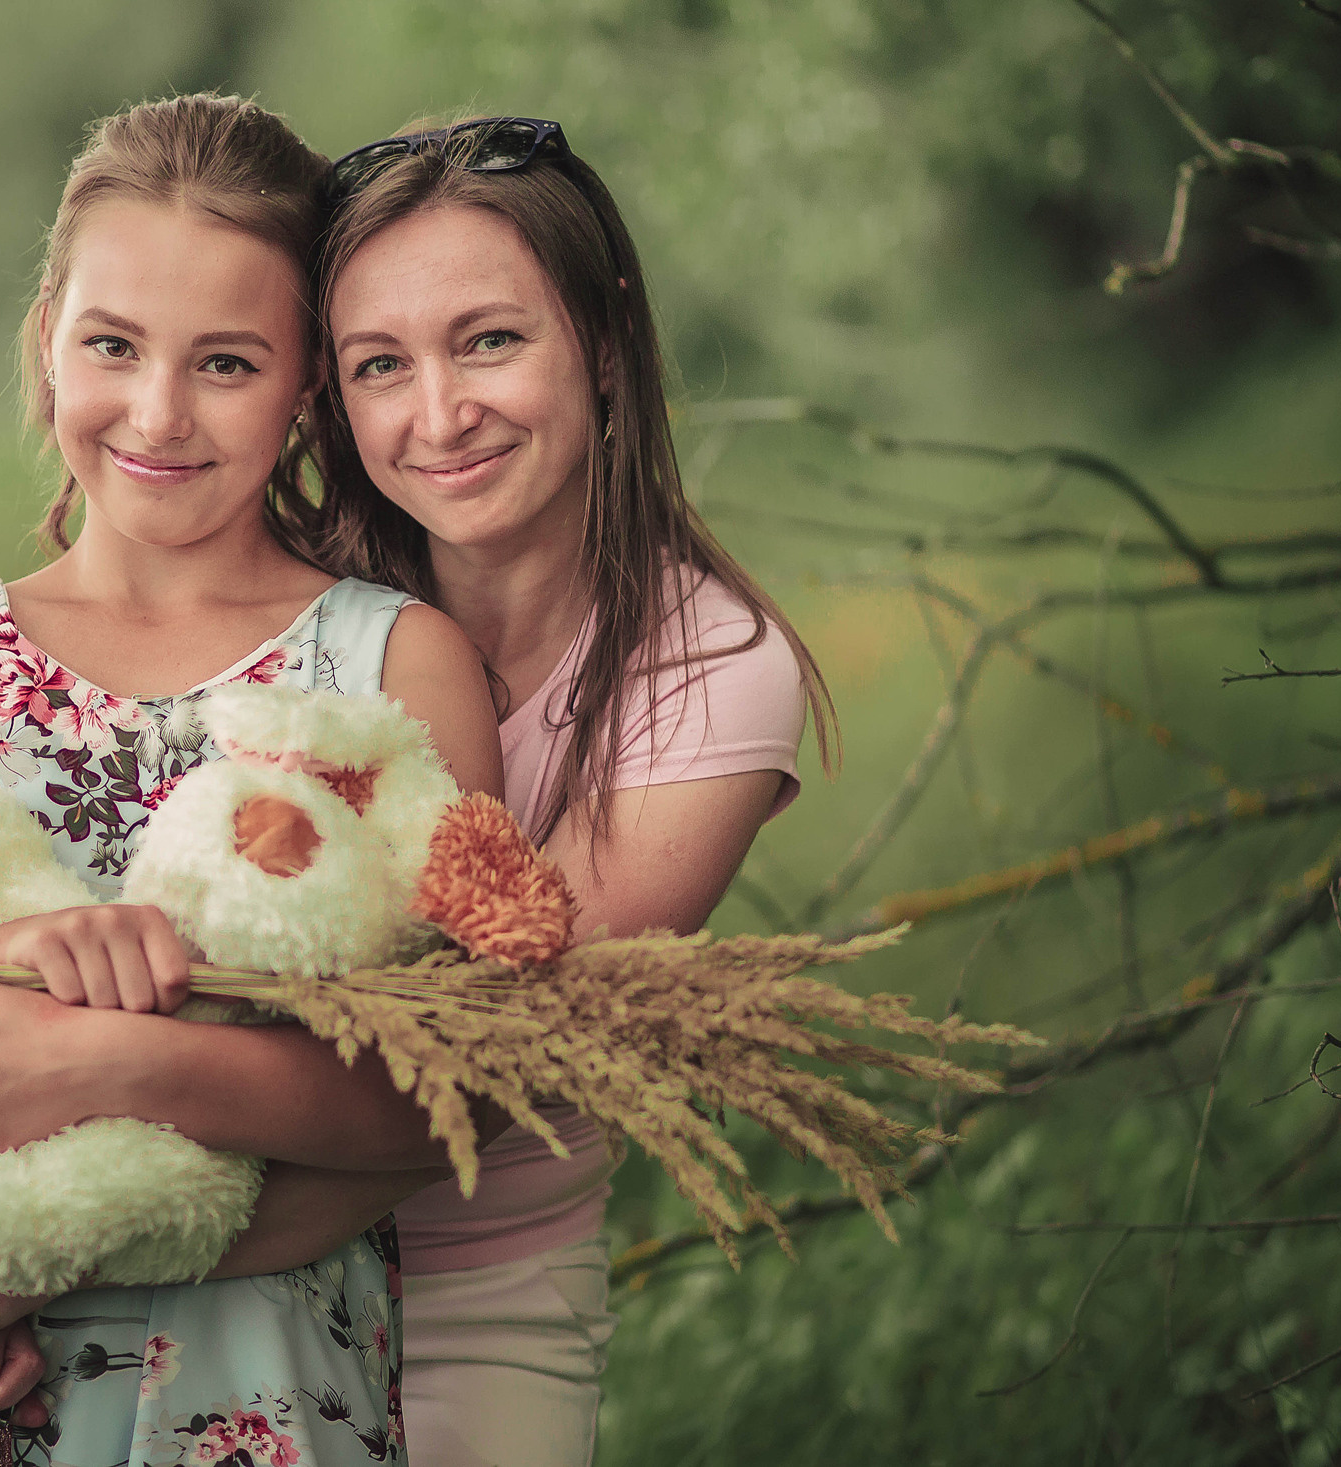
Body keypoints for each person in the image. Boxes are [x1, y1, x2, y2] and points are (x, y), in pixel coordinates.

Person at [0, 94, 503, 1462]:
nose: (158, 411)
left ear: (306, 387)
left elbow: (443, 1102)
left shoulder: (390, 669)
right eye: (112, 344)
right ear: (47, 341)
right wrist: (10, 968)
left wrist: (25, 1244)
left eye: (227, 363)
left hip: (259, 1393)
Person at [299, 116, 838, 1467]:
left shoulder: (712, 667)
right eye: (380, 364)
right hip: (195, 1271)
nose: (439, 416)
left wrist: (101, 1194)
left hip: (478, 1298)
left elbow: (478, 1073)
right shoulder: (279, 605)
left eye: (489, 341)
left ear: (601, 340)